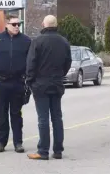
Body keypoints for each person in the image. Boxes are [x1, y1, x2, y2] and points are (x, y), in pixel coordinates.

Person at [26, 15, 72, 160]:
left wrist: (30, 81)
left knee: (43, 118)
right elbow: (68, 62)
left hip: (40, 84)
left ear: (43, 25)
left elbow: (31, 63)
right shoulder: (64, 42)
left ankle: (43, 151)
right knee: (57, 117)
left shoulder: (38, 41)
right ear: (55, 25)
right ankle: (58, 150)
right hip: (57, 83)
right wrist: (59, 75)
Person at [0, 14, 31, 153]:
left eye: (18, 24)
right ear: (7, 25)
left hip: (18, 81)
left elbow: (31, 59)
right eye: (14, 24)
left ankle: (18, 143)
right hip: (2, 81)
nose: (17, 27)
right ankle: (1, 142)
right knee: (2, 115)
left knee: (16, 115)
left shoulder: (26, 41)